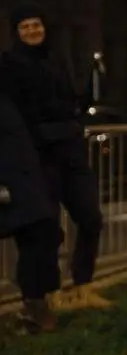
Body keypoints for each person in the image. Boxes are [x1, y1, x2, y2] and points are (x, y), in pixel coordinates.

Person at [0, 0, 108, 310]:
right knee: (45, 231)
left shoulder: (56, 61)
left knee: (90, 217)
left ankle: (83, 285)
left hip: (70, 152)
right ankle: (49, 295)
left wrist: (77, 120)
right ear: (16, 31)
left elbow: (71, 100)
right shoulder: (9, 65)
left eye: (37, 25)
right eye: (25, 26)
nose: (32, 31)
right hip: (36, 158)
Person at [0, 92, 61, 332]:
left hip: (22, 180)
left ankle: (37, 307)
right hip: (15, 182)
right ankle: (36, 307)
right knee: (38, 235)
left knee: (41, 235)